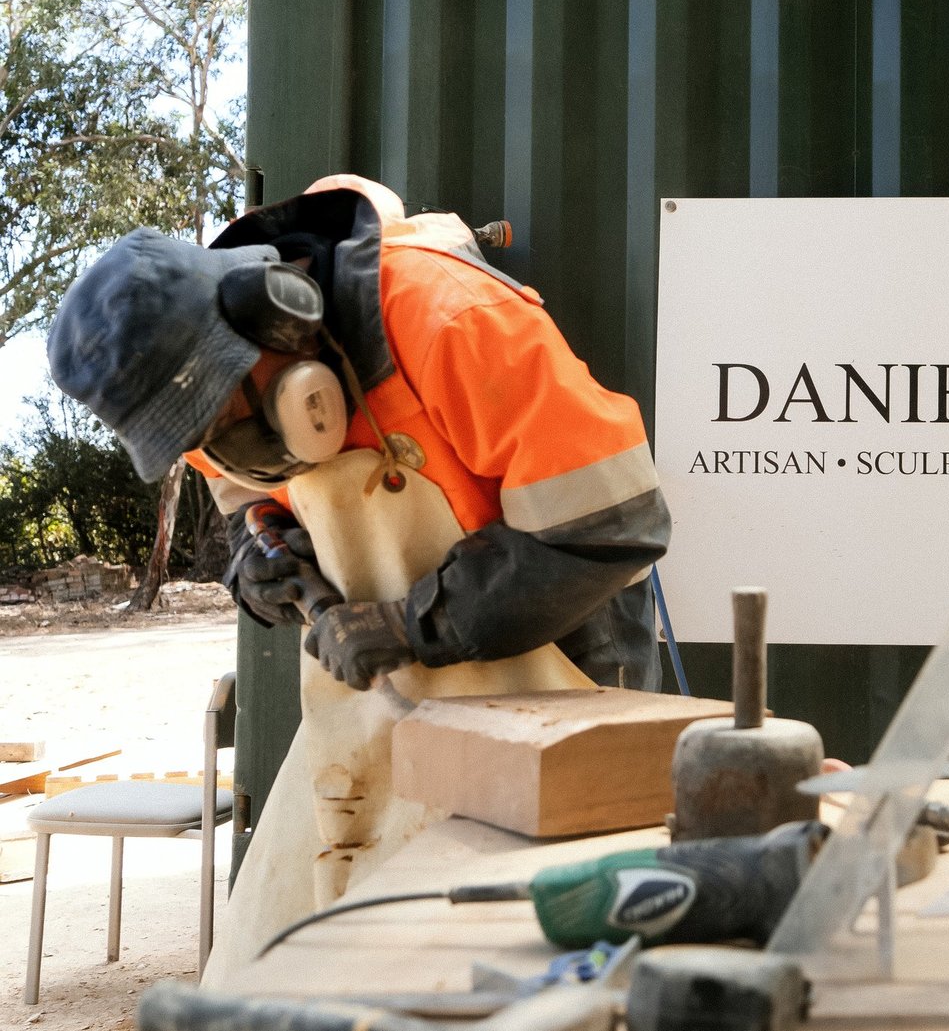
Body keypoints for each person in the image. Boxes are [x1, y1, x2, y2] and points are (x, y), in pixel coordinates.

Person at [47, 174, 670, 980]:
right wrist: (266, 559)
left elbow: (614, 525)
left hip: (557, 656)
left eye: (229, 412)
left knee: (543, 958)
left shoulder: (452, 318)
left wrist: (411, 623)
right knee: (291, 961)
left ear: (280, 310)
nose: (225, 441)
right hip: (384, 692)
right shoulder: (199, 395)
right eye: (202, 431)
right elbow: (248, 506)